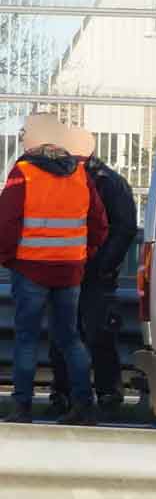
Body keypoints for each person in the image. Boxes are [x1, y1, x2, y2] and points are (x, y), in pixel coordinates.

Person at [0, 114, 109, 425]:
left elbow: (6, 222)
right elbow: (100, 224)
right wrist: (83, 253)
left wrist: (8, 258)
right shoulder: (79, 172)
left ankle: (22, 408)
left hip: (31, 269)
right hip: (69, 270)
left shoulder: (23, 172)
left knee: (26, 339)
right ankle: (84, 405)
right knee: (70, 338)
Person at [47, 143, 137, 414]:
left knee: (97, 332)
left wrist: (103, 265)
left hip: (93, 272)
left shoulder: (107, 182)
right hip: (69, 269)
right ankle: (64, 391)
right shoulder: (72, 179)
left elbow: (124, 228)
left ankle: (106, 391)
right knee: (64, 332)